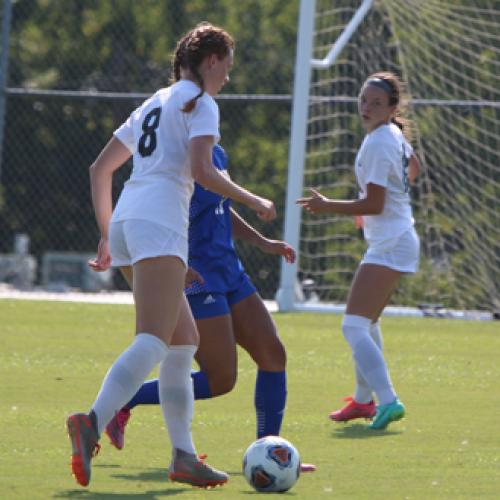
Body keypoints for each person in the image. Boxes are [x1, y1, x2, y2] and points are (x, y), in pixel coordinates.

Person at [66, 22, 276, 489]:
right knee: (154, 341)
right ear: (213, 59)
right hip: (159, 223)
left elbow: (101, 170)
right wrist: (254, 200)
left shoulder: (152, 103)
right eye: (227, 68)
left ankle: (183, 456)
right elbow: (203, 171)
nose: (227, 78)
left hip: (128, 220)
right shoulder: (201, 103)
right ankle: (91, 422)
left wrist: (107, 234)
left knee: (183, 343)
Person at [104, 144, 316, 472]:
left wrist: (262, 241)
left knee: (273, 354)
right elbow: (166, 212)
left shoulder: (214, 150)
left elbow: (219, 204)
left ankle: (272, 454)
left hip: (229, 269)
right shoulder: (174, 153)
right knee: (220, 379)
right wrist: (177, 261)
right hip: (197, 273)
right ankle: (125, 398)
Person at [297, 71, 421, 430]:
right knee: (367, 323)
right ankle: (364, 401)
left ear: (392, 107)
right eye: (363, 100)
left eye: (376, 103)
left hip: (392, 242)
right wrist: (377, 204)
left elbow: (376, 203)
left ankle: (388, 400)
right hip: (395, 237)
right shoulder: (392, 134)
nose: (366, 107)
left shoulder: (381, 140)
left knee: (352, 326)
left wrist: (330, 206)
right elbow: (414, 169)